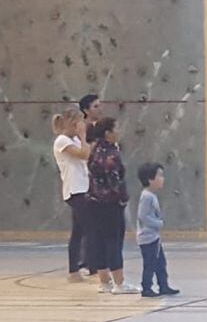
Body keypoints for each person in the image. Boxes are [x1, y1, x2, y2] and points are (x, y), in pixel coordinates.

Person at [85, 118, 140, 294]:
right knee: (113, 241)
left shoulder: (94, 150)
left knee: (99, 240)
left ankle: (104, 281)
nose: (119, 130)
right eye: (116, 127)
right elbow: (115, 182)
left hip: (94, 202)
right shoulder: (111, 154)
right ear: (108, 133)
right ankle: (119, 283)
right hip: (111, 204)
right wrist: (123, 199)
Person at [51, 109, 93, 282]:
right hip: (74, 190)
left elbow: (88, 156)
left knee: (80, 229)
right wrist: (83, 137)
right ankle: (76, 268)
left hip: (84, 187)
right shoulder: (62, 141)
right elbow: (83, 153)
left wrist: (82, 139)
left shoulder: (74, 140)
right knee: (86, 228)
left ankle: (80, 267)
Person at [136, 163, 179, 297]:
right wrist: (158, 223)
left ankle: (163, 285)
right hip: (147, 238)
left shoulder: (151, 195)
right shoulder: (147, 196)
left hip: (154, 237)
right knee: (150, 263)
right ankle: (146, 287)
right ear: (150, 179)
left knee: (161, 263)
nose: (162, 178)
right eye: (159, 176)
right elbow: (143, 216)